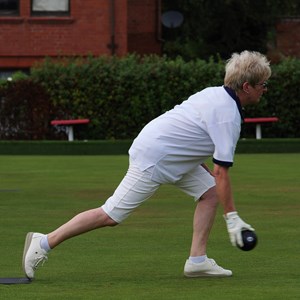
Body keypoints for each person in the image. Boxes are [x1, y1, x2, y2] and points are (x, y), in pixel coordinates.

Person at [22, 50, 271, 279]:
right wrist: (233, 219)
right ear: (247, 86)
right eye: (263, 85)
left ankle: (197, 261)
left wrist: (198, 164)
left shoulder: (214, 94)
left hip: (165, 150)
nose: (265, 90)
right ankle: (44, 242)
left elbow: (192, 133)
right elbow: (221, 171)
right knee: (110, 215)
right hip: (155, 157)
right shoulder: (228, 115)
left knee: (210, 192)